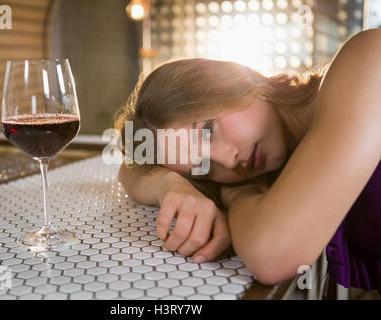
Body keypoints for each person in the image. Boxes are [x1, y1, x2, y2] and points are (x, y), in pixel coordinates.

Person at [114, 29, 381, 295]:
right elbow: (127, 171)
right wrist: (169, 184)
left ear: (233, 80)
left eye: (208, 130)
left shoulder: (366, 59)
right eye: (203, 167)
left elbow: (271, 255)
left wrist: (237, 192)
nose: (228, 162)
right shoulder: (291, 168)